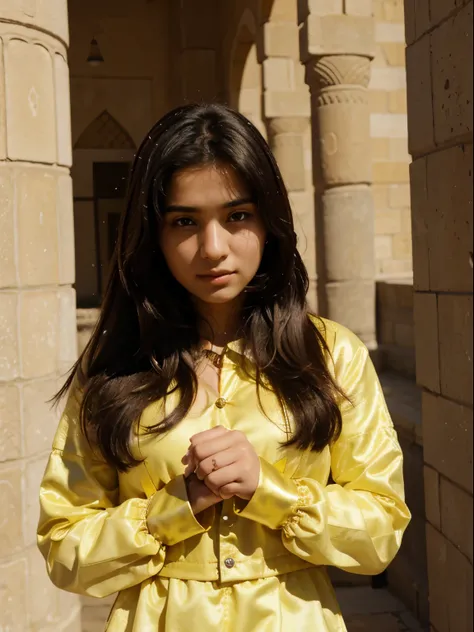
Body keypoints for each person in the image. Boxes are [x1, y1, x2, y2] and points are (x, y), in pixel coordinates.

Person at [37, 103, 411, 632]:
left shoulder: (331, 356)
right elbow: (63, 546)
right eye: (184, 221)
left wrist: (271, 492)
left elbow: (381, 533)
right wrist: (175, 504)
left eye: (237, 216)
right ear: (153, 234)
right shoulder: (115, 366)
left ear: (269, 221)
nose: (213, 249)